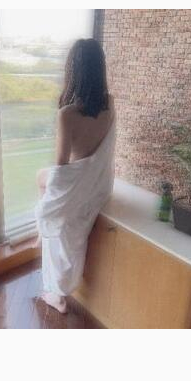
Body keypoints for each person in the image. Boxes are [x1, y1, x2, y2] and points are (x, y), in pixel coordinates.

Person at [33, 38, 116, 314]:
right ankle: (47, 228)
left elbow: (60, 166)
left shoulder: (67, 114)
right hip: (99, 184)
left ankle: (56, 293)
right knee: (70, 230)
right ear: (100, 69)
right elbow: (104, 150)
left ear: (72, 71)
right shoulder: (110, 103)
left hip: (76, 183)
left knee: (46, 193)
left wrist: (51, 206)